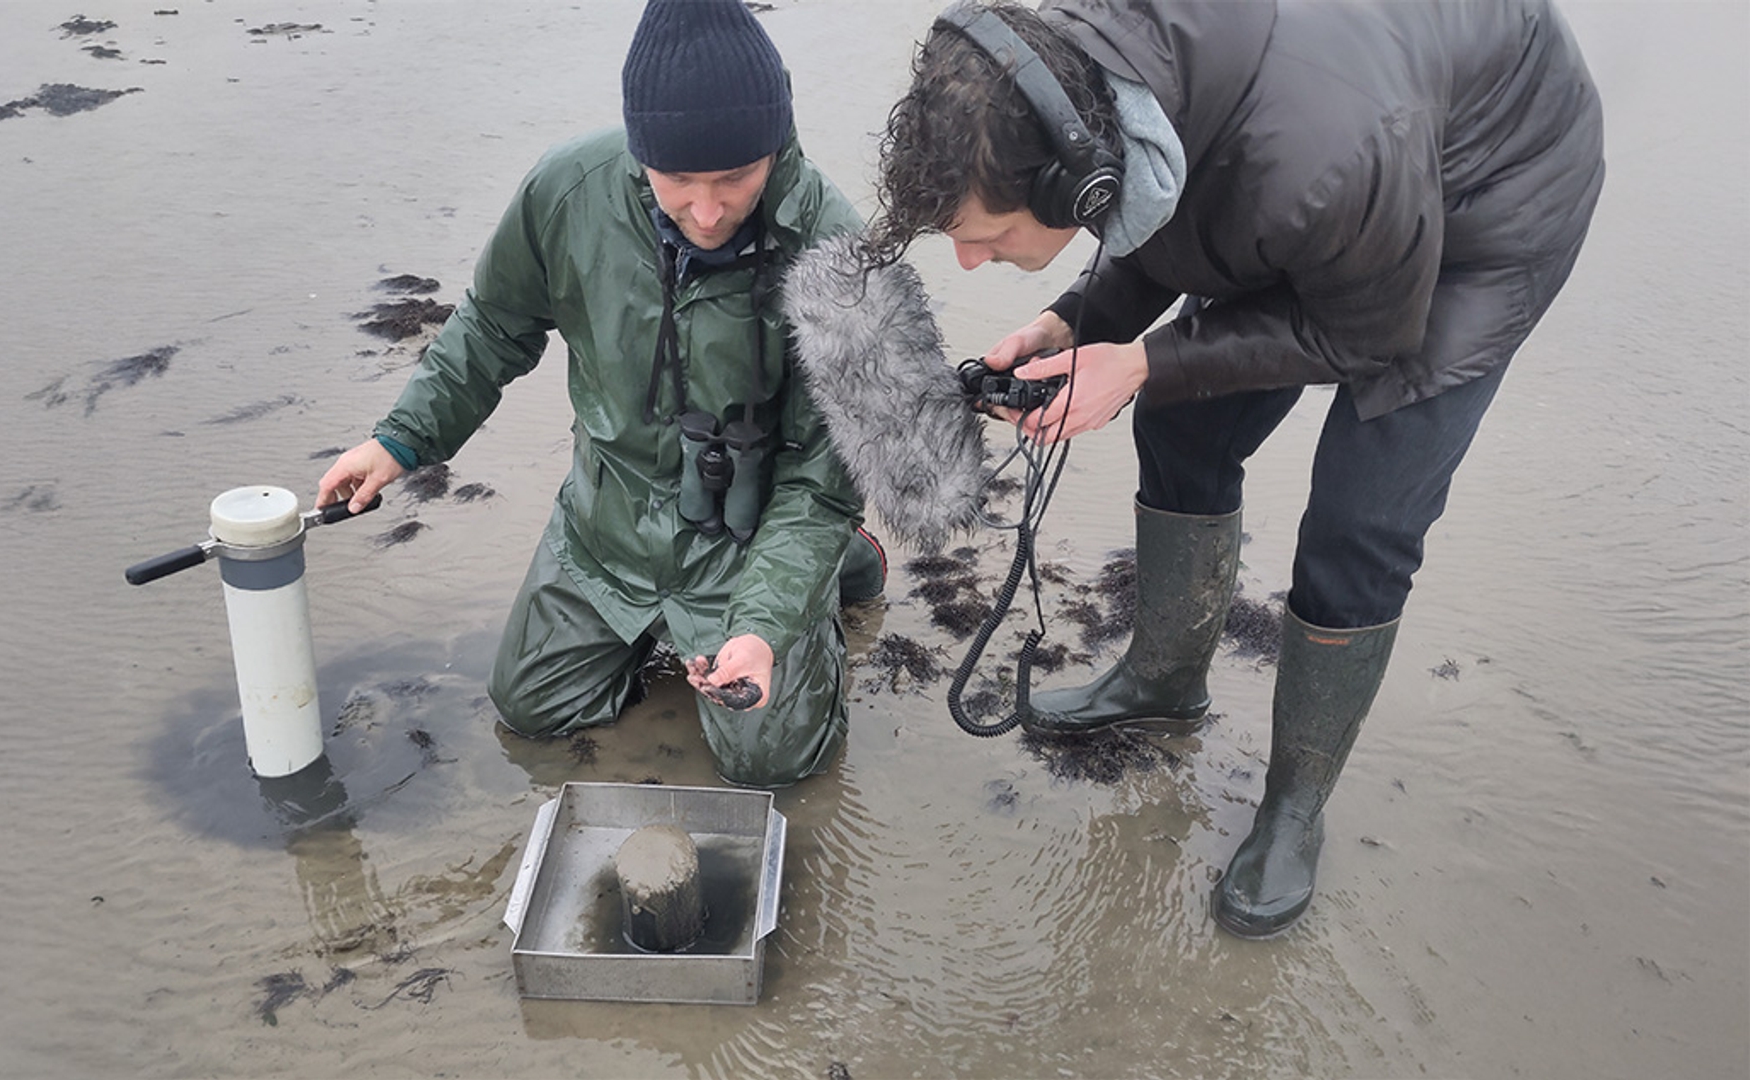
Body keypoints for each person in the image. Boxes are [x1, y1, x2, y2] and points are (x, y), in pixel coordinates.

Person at [867, 0, 1602, 936]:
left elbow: (1367, 333)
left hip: (1487, 197)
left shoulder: (1320, 163)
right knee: (1184, 432)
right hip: (1343, 156)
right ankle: (1165, 680)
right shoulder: (1093, 79)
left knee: (1360, 520)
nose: (969, 262)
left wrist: (1143, 363)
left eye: (984, 234)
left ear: (1071, 183)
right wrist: (1076, 322)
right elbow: (1173, 210)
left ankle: (1296, 804)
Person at [316, 0, 887, 789]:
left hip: (751, 540)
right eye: (678, 180)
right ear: (638, 151)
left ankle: (833, 577)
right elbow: (492, 326)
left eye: (736, 178)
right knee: (529, 708)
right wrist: (401, 440)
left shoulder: (836, 255)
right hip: (606, 526)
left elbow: (824, 488)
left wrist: (760, 627)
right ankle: (673, 613)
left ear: (777, 146)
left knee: (775, 762)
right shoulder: (567, 190)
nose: (709, 210)